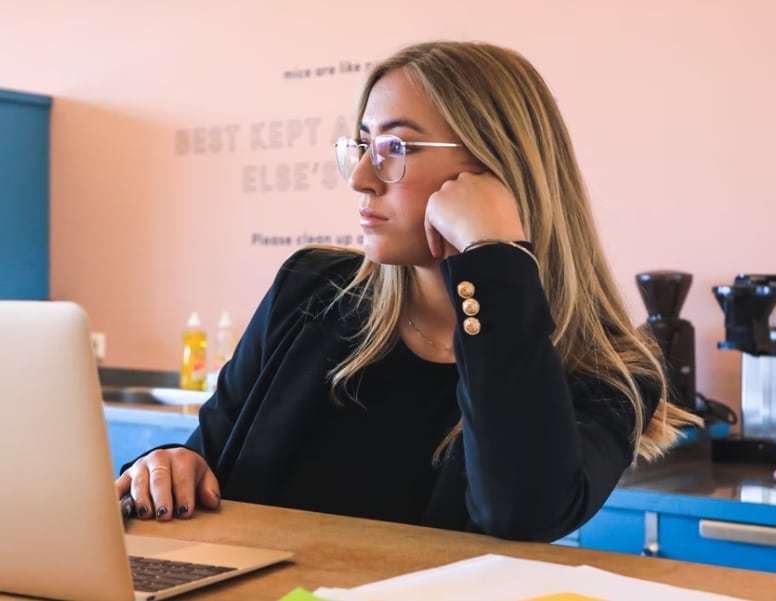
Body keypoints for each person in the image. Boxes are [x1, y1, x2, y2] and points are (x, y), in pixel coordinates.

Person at [116, 40, 700, 541]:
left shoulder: (608, 372)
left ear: (496, 169)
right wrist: (173, 465)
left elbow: (522, 515)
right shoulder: (311, 291)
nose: (363, 178)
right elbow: (206, 459)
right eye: (362, 144)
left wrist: (494, 257)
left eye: (396, 148)